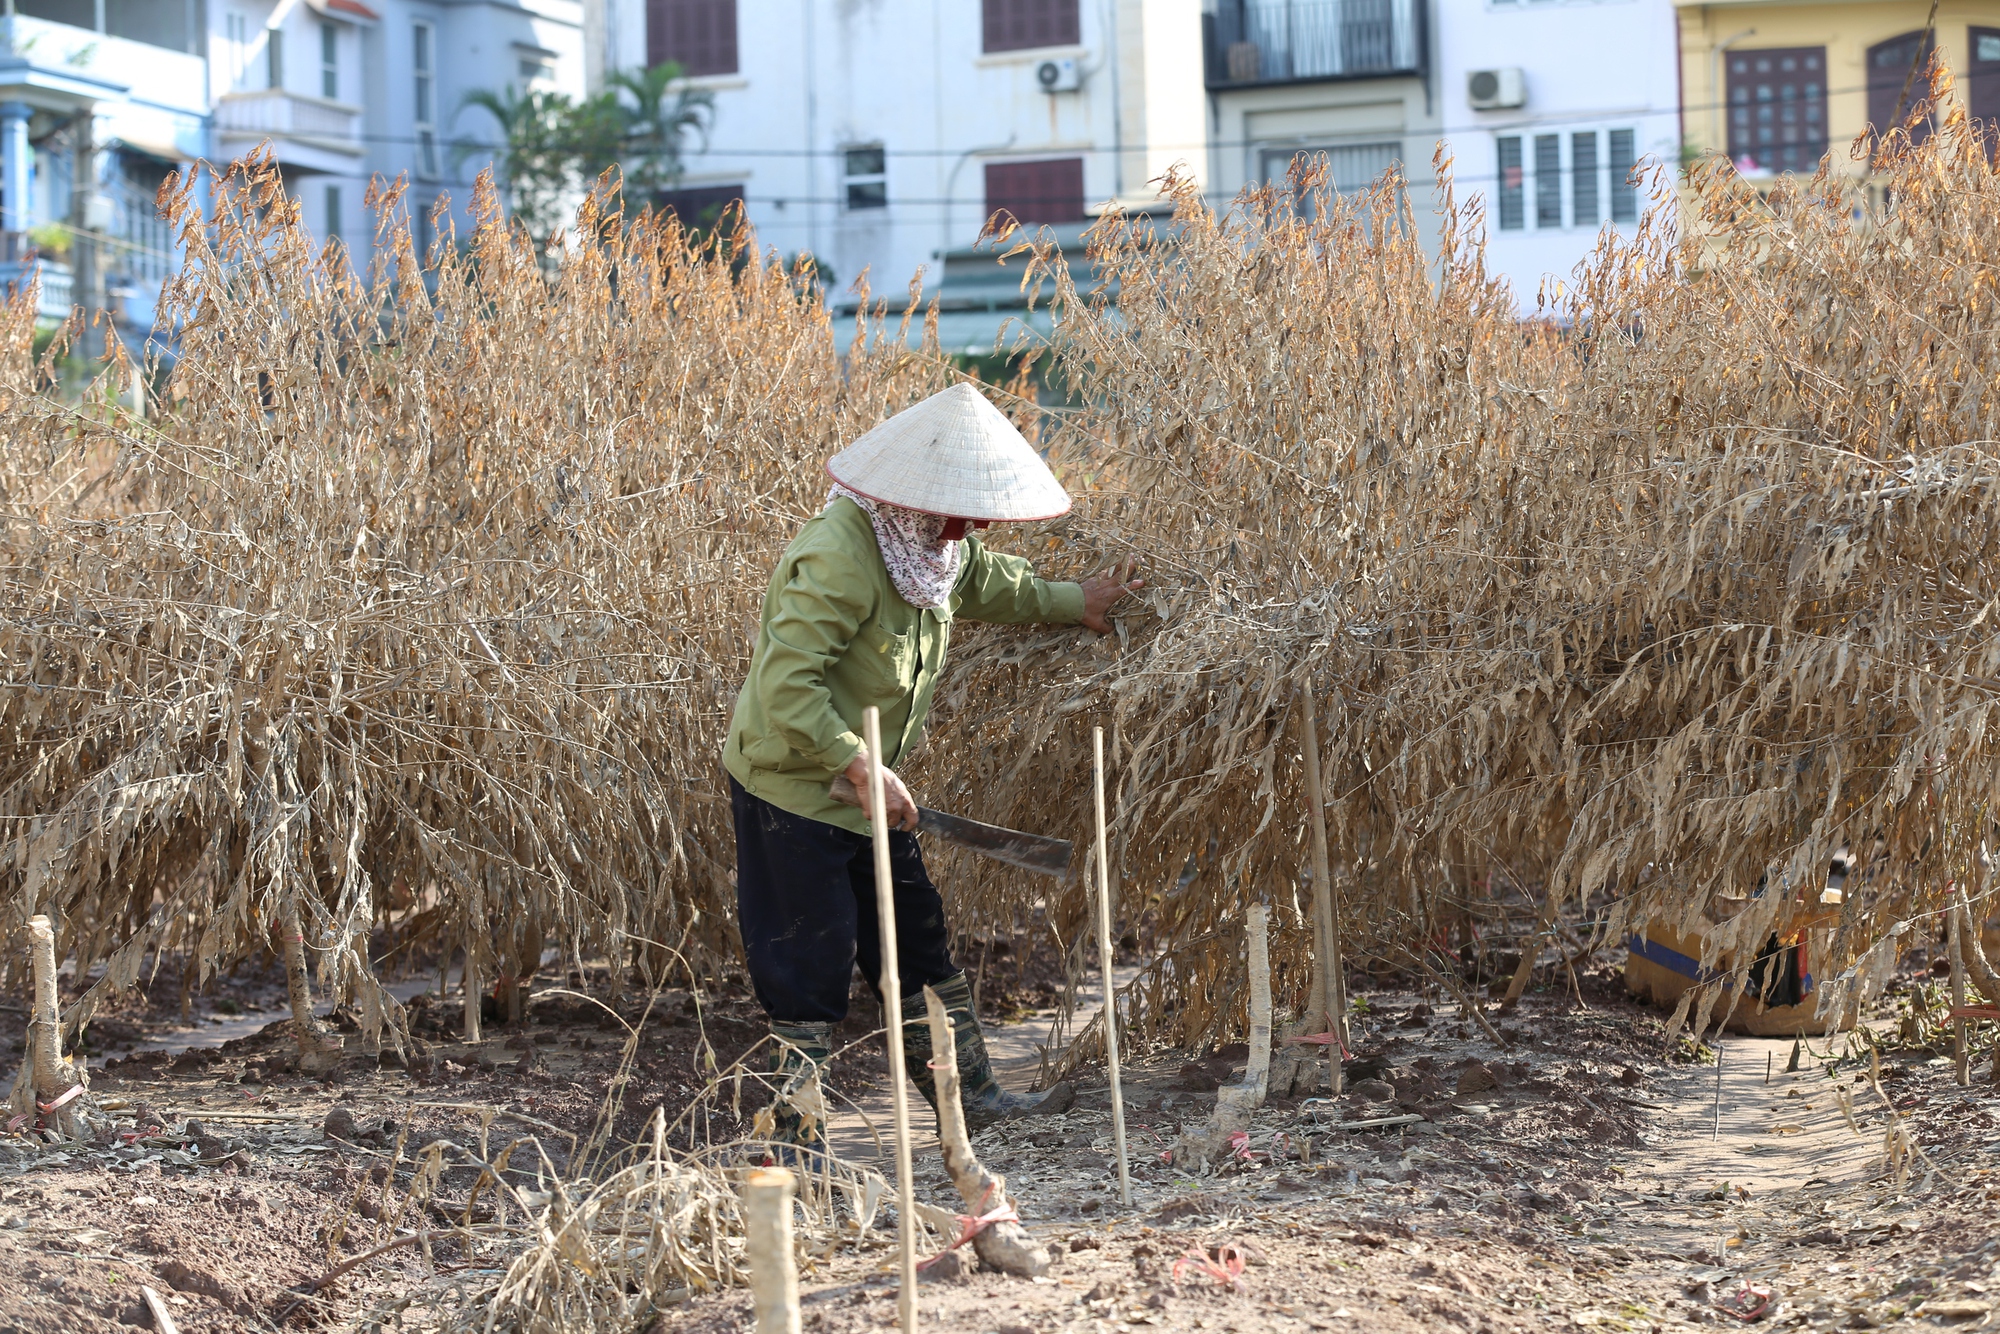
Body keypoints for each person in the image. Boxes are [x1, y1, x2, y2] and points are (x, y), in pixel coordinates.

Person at [723, 383, 1142, 1155]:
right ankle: (794, 1142)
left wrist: (1071, 600)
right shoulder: (840, 557)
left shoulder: (930, 547)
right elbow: (787, 687)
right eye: (964, 508)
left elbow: (983, 580)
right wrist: (856, 763)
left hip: (867, 790)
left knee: (917, 941)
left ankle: (973, 1100)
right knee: (809, 957)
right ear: (917, 495)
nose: (975, 522)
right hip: (792, 786)